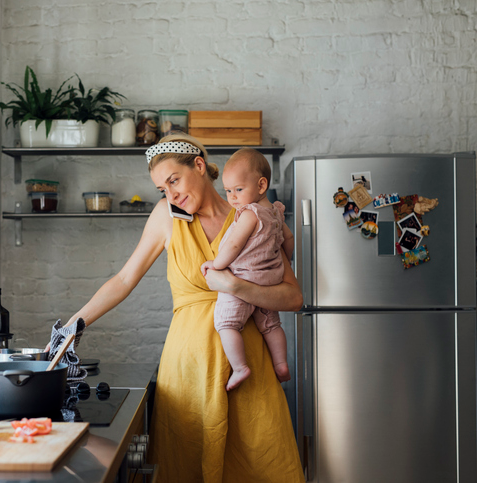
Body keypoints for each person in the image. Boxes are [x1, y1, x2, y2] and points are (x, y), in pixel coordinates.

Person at [60, 133, 304, 482]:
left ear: (200, 166)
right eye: (163, 188)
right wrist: (74, 324)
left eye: (174, 180)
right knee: (186, 464)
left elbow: (293, 298)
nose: (171, 194)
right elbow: (125, 279)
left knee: (259, 464)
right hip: (188, 371)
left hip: (248, 371)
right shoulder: (167, 216)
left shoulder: (253, 216)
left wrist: (235, 286)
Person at [200, 148, 294, 391]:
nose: (232, 197)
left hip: (243, 278)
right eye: (228, 191)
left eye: (238, 189)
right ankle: (281, 363)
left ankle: (240, 367)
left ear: (261, 185)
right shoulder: (275, 212)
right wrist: (287, 261)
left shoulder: (249, 214)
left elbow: (233, 245)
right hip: (270, 281)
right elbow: (289, 238)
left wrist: (216, 264)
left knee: (226, 324)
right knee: (271, 325)